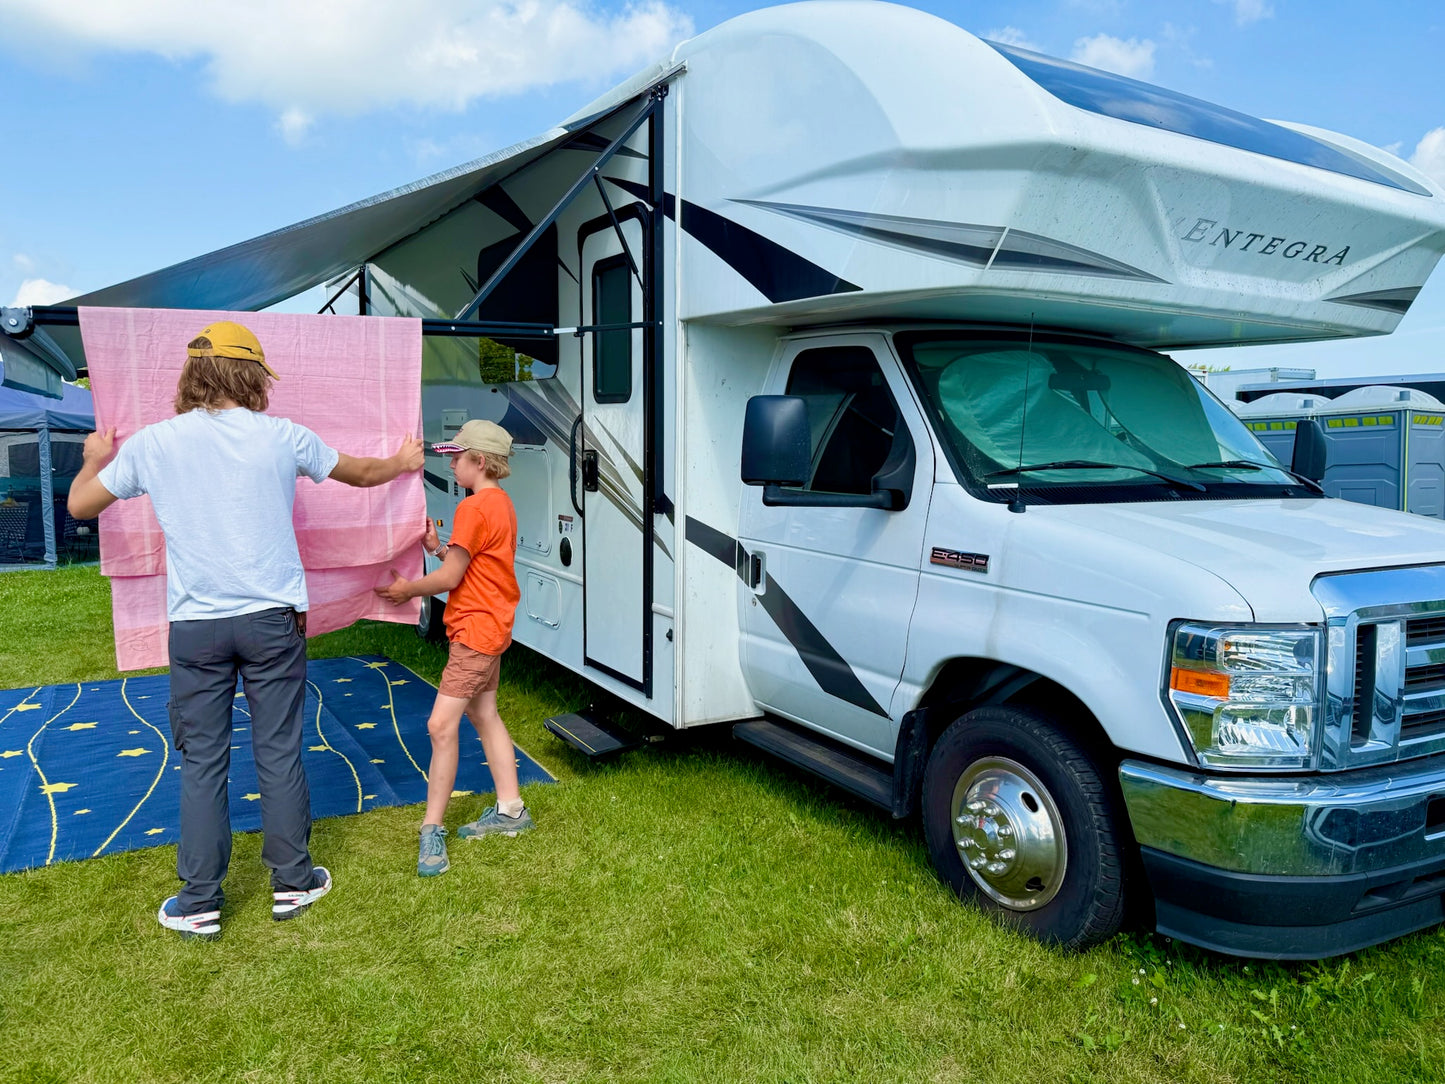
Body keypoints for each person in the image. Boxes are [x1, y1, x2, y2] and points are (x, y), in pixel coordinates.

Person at [68, 320, 424, 939]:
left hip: (196, 629)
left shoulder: (154, 443)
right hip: (272, 624)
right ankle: (293, 882)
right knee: (279, 751)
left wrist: (94, 460)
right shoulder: (283, 436)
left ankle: (199, 901)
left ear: (193, 374)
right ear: (253, 376)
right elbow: (365, 474)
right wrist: (402, 461)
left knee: (202, 762)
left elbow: (79, 506)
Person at [374, 418, 532, 877]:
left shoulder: (473, 508)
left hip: (475, 633)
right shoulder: (500, 503)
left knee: (440, 726)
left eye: (456, 457)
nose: (451, 465)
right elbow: (475, 567)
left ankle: (431, 829)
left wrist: (408, 590)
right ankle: (511, 810)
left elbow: (450, 579)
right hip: (492, 627)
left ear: (478, 461)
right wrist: (439, 548)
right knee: (484, 715)